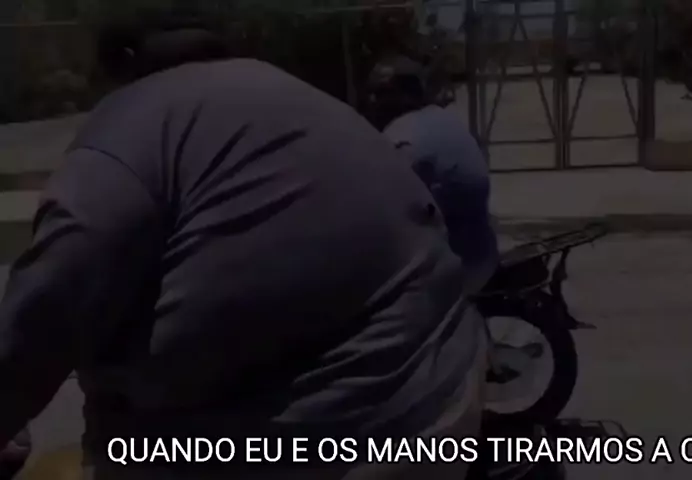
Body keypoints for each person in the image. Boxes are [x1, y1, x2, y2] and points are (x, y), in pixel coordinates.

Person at [0, 13, 486, 479]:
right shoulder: (298, 93)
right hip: (445, 399)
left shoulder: (127, 124)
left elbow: (50, 301)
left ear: (121, 60)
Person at [365, 56, 499, 292]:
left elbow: (378, 211)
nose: (372, 100)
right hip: (483, 256)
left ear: (407, 94)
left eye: (382, 92)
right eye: (372, 92)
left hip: (448, 273)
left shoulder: (403, 140)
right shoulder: (442, 118)